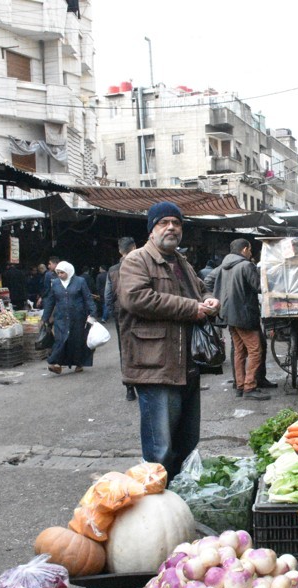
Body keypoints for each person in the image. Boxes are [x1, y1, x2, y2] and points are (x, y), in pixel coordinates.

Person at [118, 201, 220, 482]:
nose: (172, 227)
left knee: (186, 442)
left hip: (185, 364)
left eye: (176, 223)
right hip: (155, 366)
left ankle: (177, 497)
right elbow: (137, 298)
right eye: (164, 222)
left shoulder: (182, 262)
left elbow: (200, 290)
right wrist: (191, 308)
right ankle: (155, 505)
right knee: (160, 449)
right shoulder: (136, 260)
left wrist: (208, 300)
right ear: (152, 229)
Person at [209, 239, 269, 401]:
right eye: (249, 250)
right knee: (255, 350)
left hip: (228, 315)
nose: (250, 253)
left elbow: (208, 281)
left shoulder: (223, 266)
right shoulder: (245, 266)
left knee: (239, 351)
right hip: (244, 315)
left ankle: (240, 385)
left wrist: (214, 298)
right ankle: (249, 386)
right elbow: (258, 287)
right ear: (244, 249)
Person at [42, 261, 96, 374]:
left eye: (62, 272)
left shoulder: (80, 281)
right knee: (60, 339)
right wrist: (45, 317)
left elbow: (87, 298)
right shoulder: (56, 283)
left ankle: (79, 363)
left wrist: (93, 313)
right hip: (61, 317)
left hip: (78, 317)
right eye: (58, 273)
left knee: (76, 340)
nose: (60, 275)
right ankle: (56, 363)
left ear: (69, 271)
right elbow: (51, 301)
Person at [104, 236, 138, 401]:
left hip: (121, 315)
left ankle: (129, 388)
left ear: (120, 251)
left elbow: (108, 296)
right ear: (134, 248)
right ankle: (144, 382)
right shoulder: (141, 265)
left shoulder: (112, 270)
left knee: (124, 349)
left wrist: (114, 312)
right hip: (141, 313)